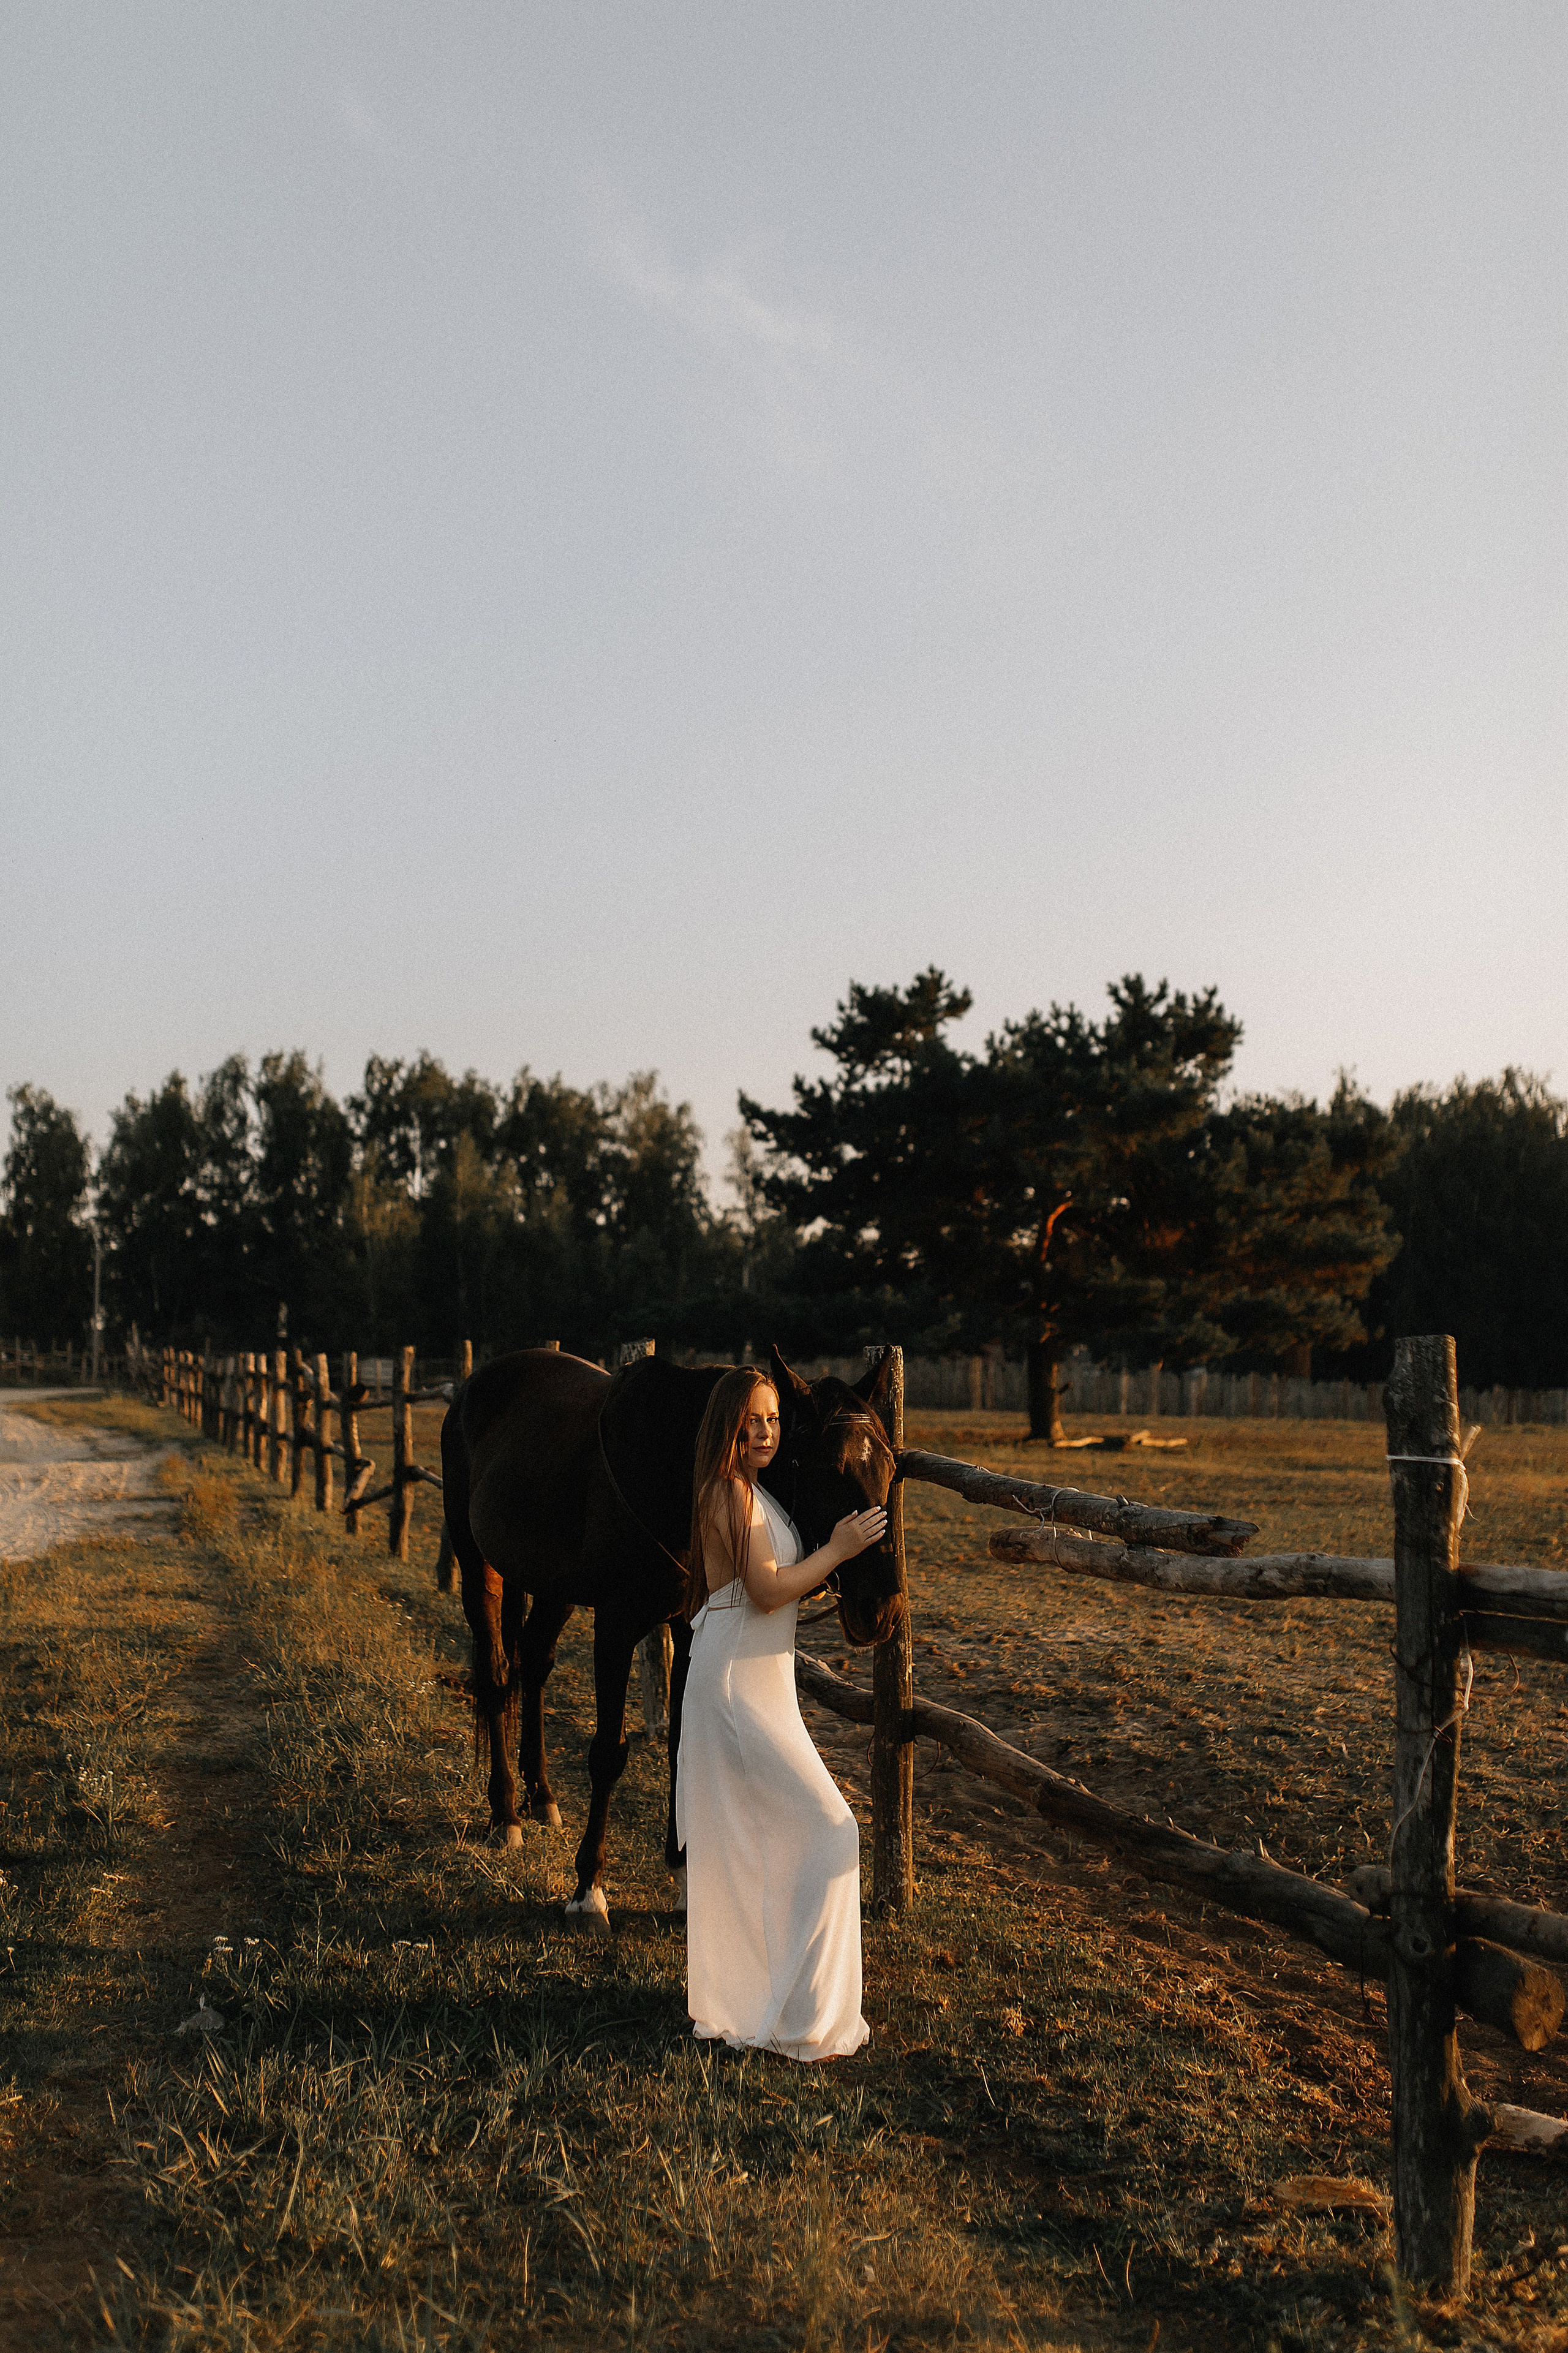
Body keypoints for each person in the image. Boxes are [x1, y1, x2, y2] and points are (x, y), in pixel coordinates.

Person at [675, 1365, 888, 2061]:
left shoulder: (754, 1491)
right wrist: (839, 1549)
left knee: (769, 1843)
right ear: (726, 1426)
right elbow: (766, 1592)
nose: (765, 1431)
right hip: (735, 1685)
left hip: (762, 1684)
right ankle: (794, 2015)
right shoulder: (726, 1493)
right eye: (752, 1420)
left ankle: (773, 2001)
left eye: (772, 1420)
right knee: (830, 1829)